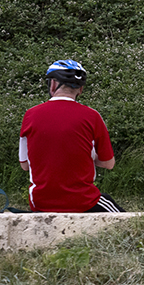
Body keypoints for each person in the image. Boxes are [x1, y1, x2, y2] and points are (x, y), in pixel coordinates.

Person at [18, 59, 124, 213]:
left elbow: (25, 165)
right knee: (128, 222)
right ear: (80, 90)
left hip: (40, 203)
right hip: (83, 202)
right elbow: (109, 164)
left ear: (52, 84)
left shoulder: (30, 115)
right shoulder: (92, 116)